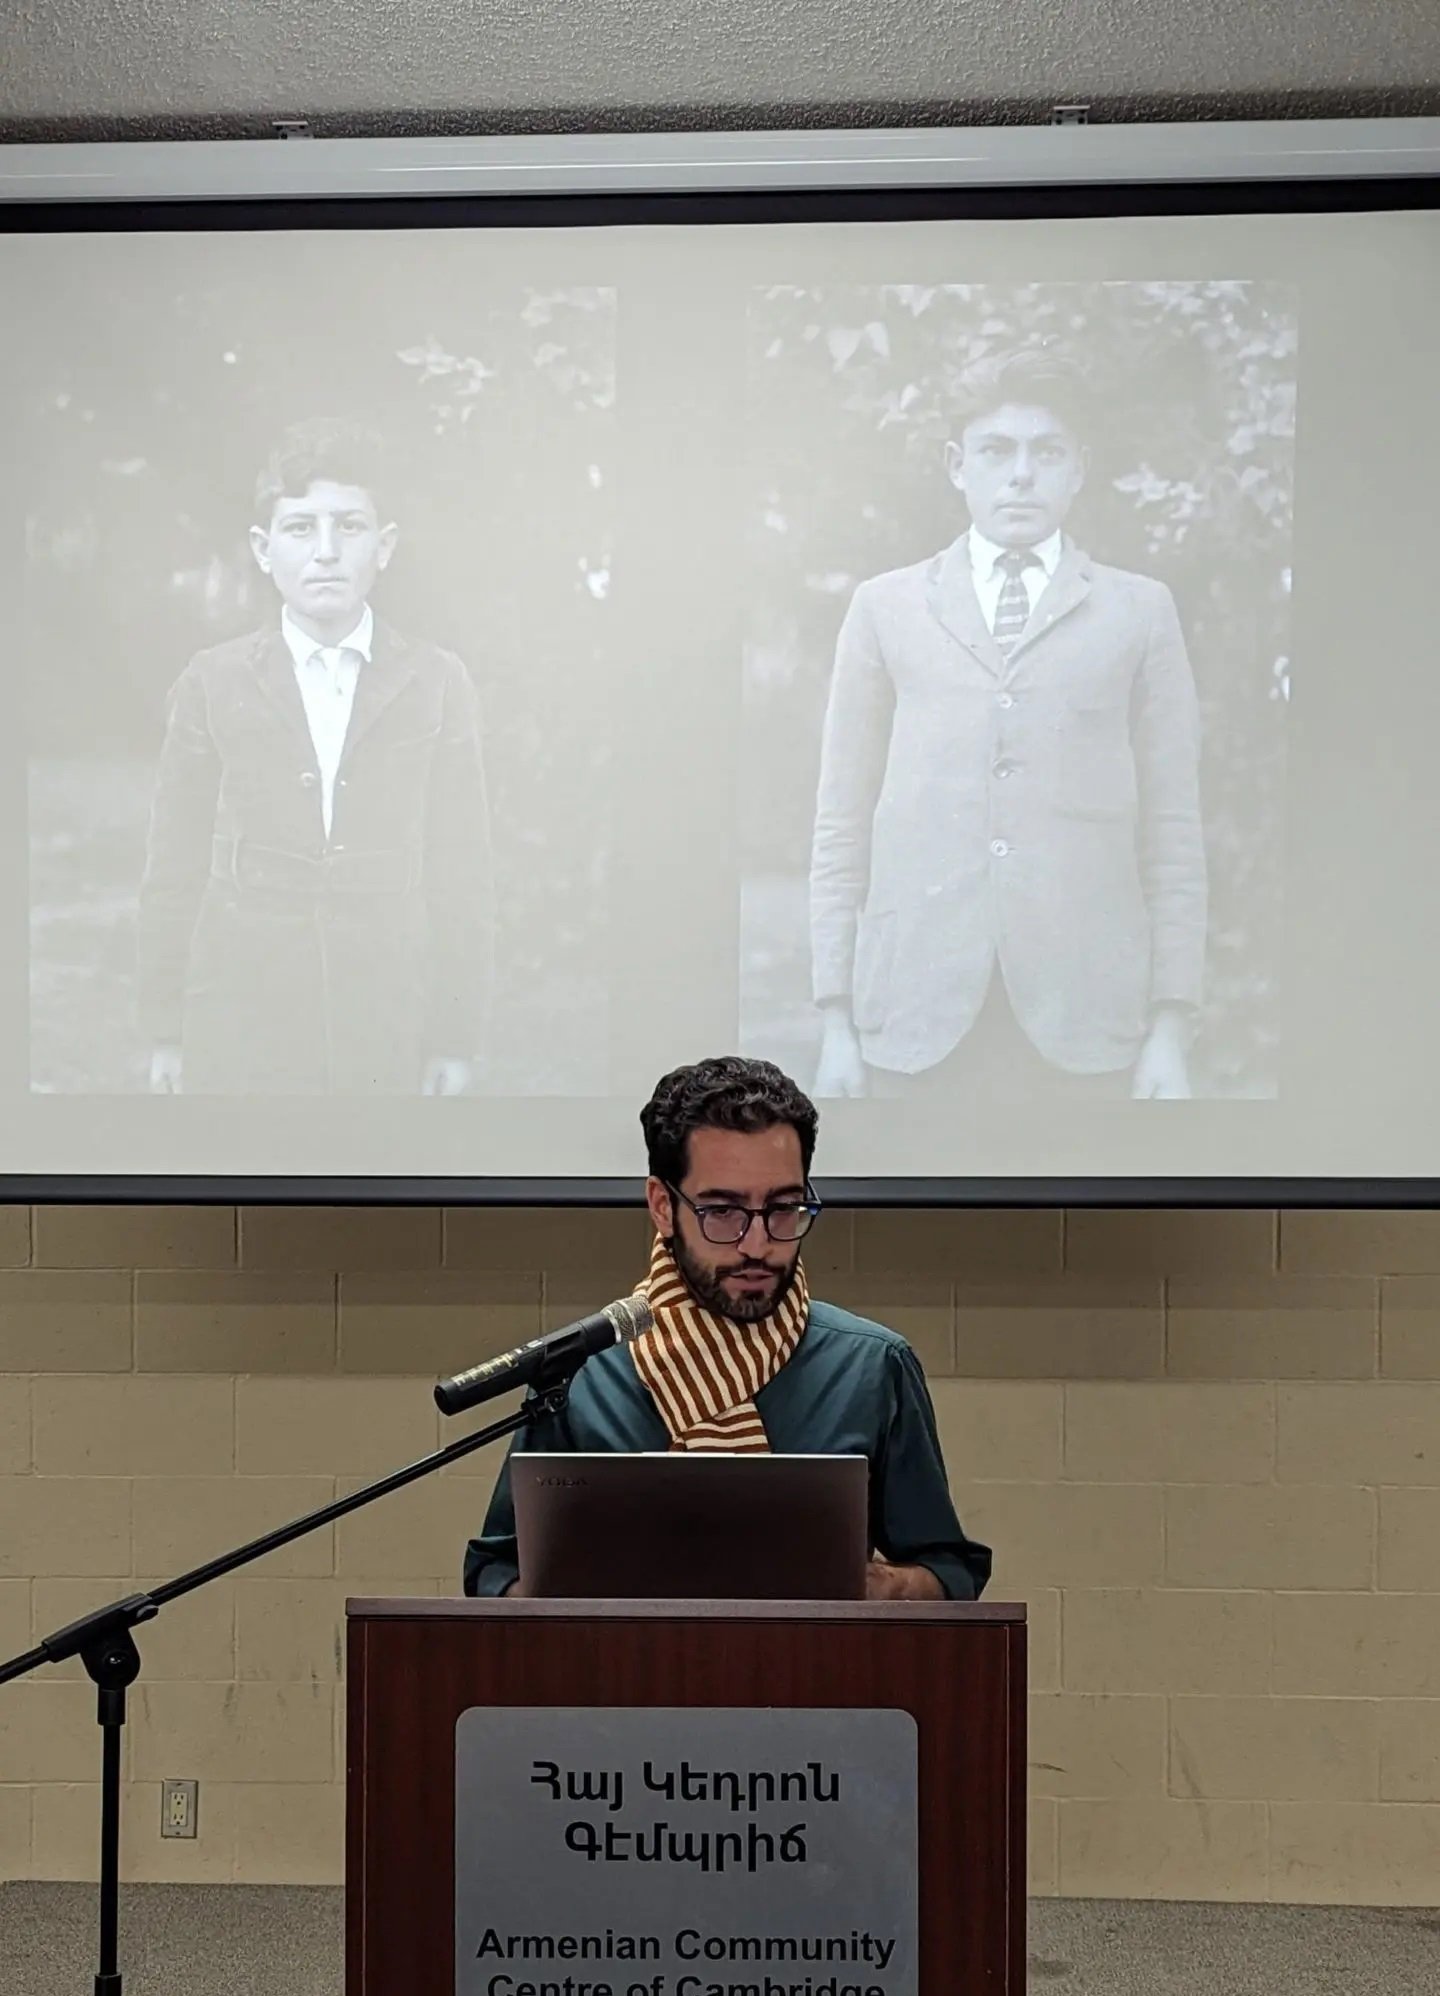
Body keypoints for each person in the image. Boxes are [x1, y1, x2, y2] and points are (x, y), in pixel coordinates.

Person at [809, 344, 1207, 1105]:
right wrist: (837, 1021)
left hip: (1087, 1026)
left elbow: (1174, 832)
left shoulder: (1140, 610)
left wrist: (1169, 1027)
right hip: (914, 1021)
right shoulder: (885, 606)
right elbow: (841, 824)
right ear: (958, 465)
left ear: (1077, 468)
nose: (1022, 473)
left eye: (1046, 451)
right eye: (997, 451)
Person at [464, 1055, 991, 1599]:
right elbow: (494, 1572)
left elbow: (949, 1571)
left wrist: (882, 1588)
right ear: (663, 1206)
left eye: (784, 1208)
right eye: (723, 1212)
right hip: (620, 1678)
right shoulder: (582, 1372)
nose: (757, 1245)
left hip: (815, 1677)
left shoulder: (871, 1367)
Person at [137, 417, 491, 1095]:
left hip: (386, 1013)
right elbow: (173, 864)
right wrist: (165, 1029)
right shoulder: (212, 680)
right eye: (301, 528)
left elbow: (462, 870)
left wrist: (453, 1038)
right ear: (263, 549)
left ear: (383, 546)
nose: (325, 551)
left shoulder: (436, 680)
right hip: (239, 1011)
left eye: (349, 527)